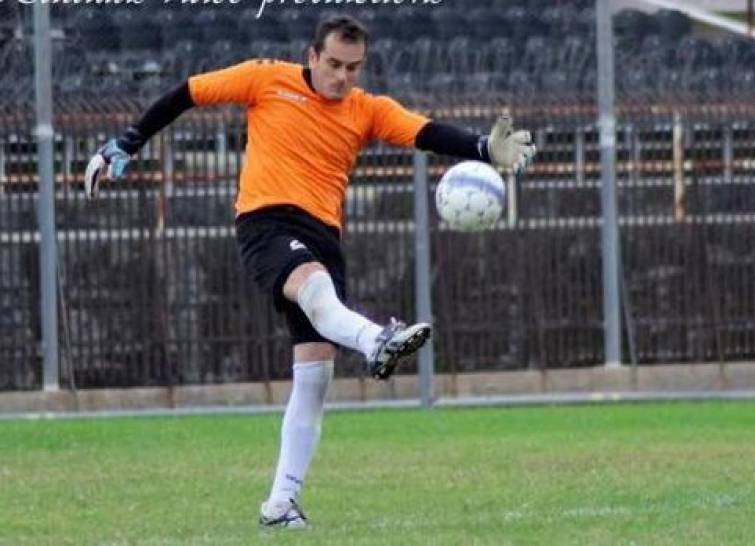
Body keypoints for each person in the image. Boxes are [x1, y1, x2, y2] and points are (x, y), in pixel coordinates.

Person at [84, 15, 535, 531]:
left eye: (353, 68)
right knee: (316, 292)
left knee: (316, 374)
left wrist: (484, 148)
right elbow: (187, 93)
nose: (342, 77)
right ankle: (376, 339)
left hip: (324, 234)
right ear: (313, 56)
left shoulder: (366, 109)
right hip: (267, 222)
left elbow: (424, 131)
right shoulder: (265, 79)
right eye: (334, 64)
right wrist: (127, 142)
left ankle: (280, 505)